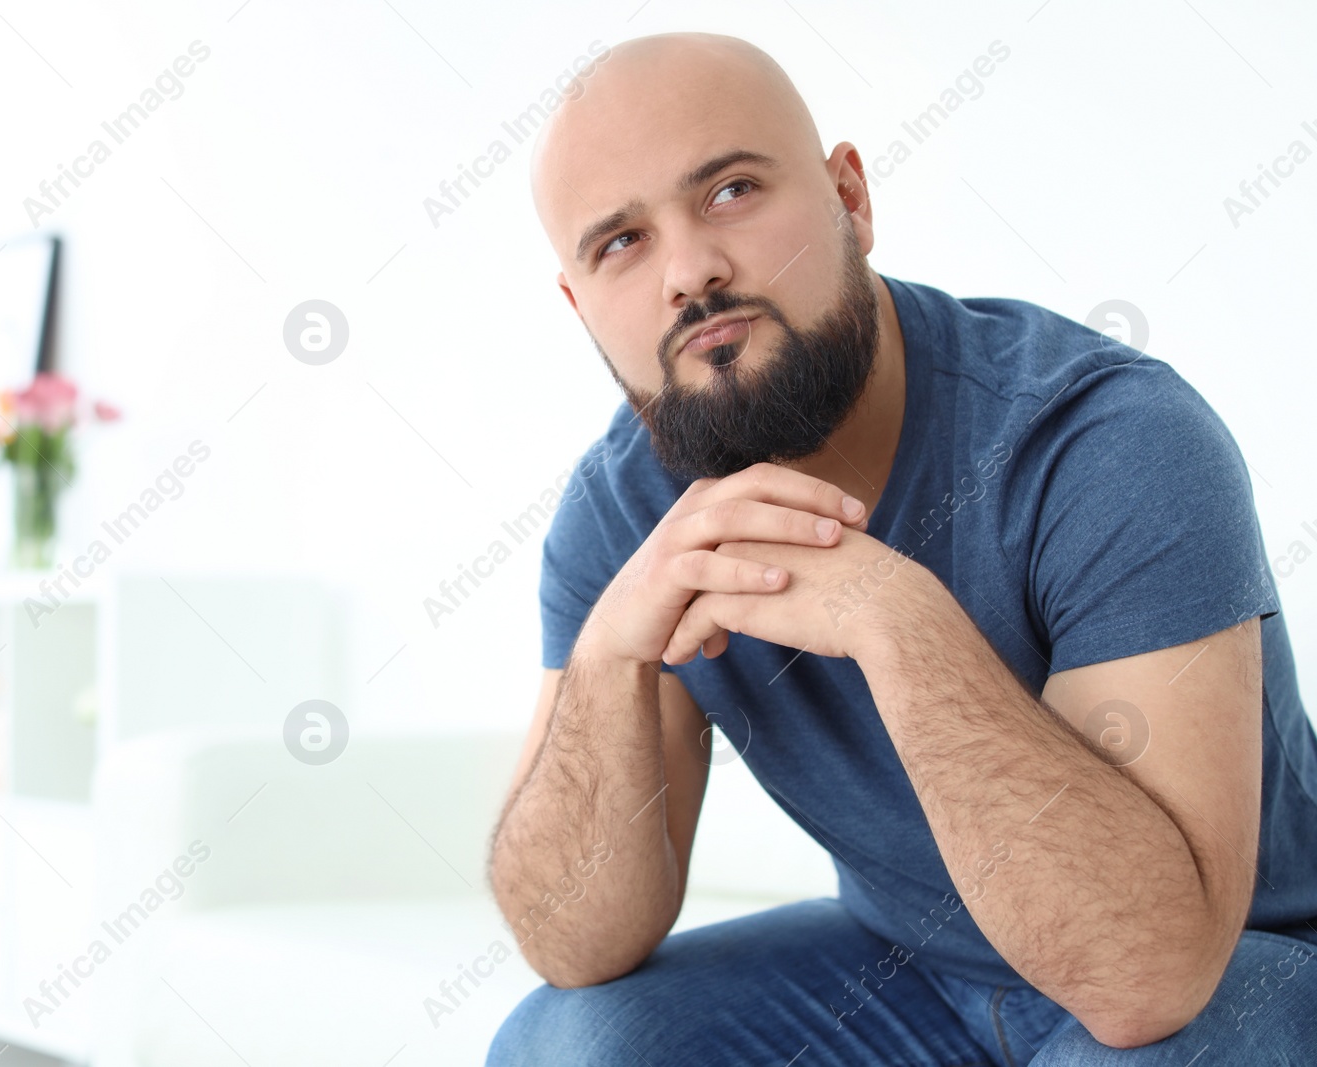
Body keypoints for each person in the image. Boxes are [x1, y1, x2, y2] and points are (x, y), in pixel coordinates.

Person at [486, 30, 1317, 1065]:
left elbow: (1142, 978)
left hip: (1219, 967)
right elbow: (573, 940)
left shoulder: (1109, 441)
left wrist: (898, 619)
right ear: (578, 305)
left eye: (731, 191)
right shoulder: (622, 517)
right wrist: (609, 657)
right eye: (620, 242)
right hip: (911, 972)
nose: (690, 272)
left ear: (850, 198)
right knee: (568, 1043)